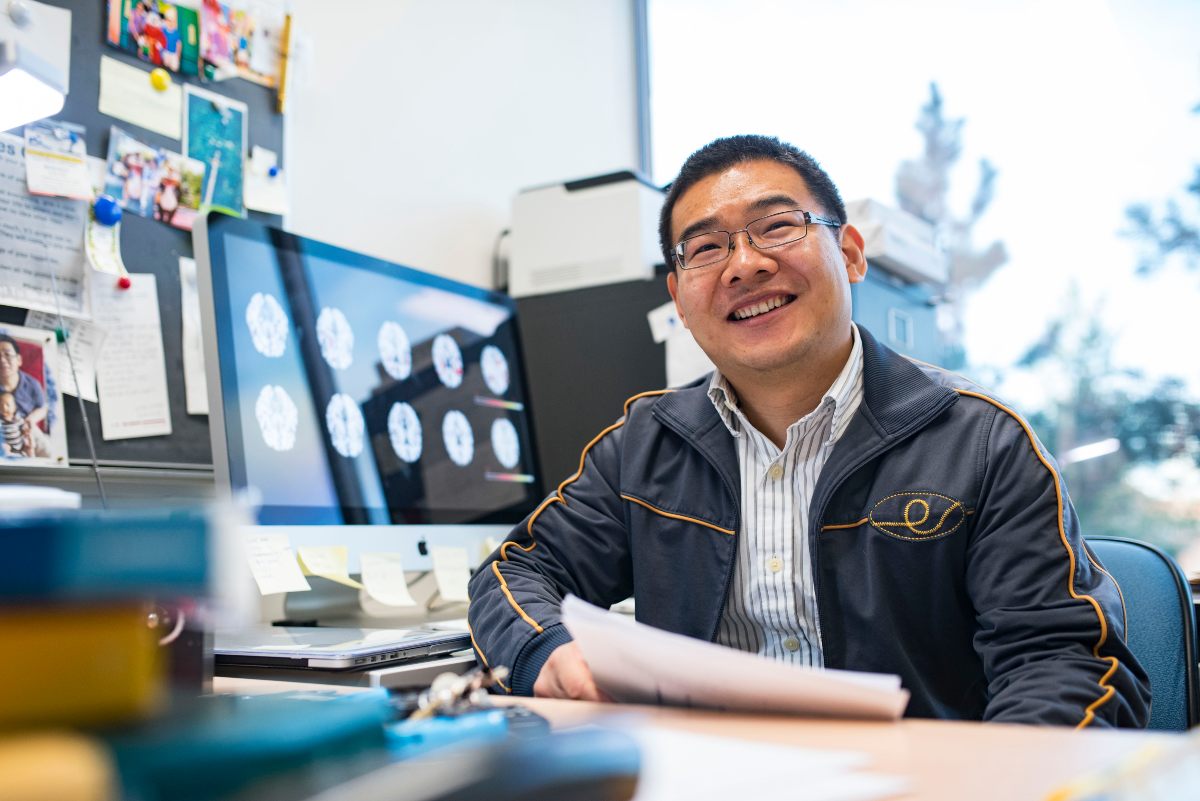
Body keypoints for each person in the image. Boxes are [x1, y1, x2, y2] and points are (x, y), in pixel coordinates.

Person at [467, 135, 1150, 728]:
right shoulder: (644, 444)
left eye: (777, 226)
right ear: (677, 297)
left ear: (851, 253)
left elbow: (1063, 664)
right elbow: (517, 569)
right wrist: (547, 651)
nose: (744, 264)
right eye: (706, 247)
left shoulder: (982, 443)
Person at [0, 334, 49, 458]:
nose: (2, 360)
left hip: (24, 425)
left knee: (47, 453)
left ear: (19, 360)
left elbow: (42, 408)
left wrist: (31, 420)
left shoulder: (32, 384)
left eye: (7, 354)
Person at [0, 391, 28, 457]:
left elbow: (23, 429)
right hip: (5, 449)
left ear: (14, 407)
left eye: (8, 405)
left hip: (19, 450)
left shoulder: (18, 419)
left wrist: (25, 430)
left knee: (26, 455)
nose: (4, 408)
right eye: (0, 405)